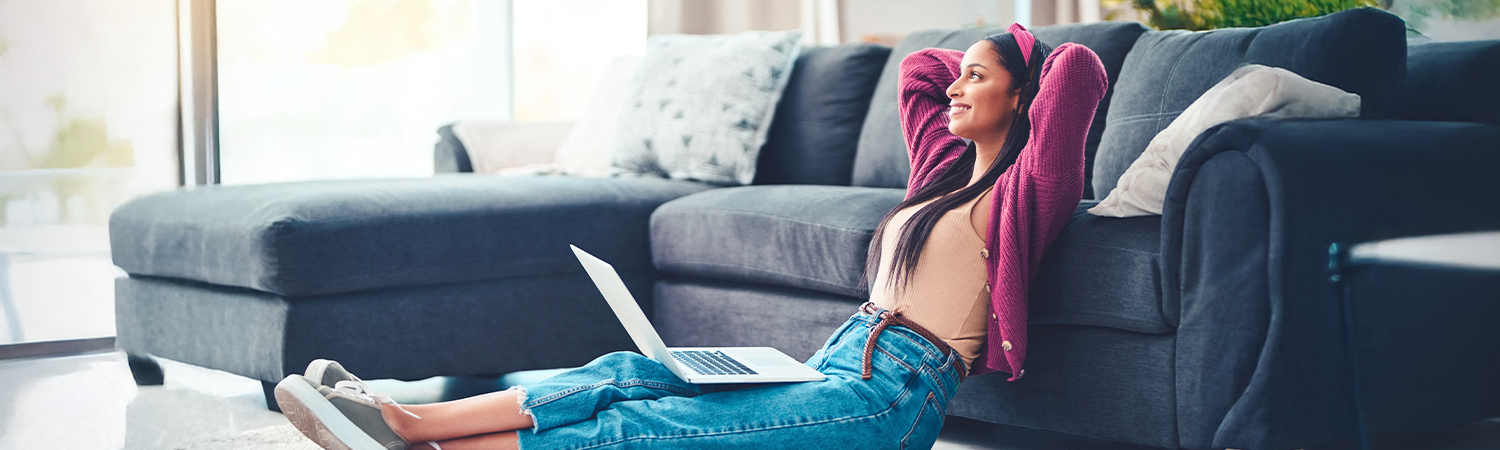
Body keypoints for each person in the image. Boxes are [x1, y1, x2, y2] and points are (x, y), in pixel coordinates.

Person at [272, 23, 1108, 450]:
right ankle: (412, 421)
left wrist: (1027, 60)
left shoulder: (1026, 190)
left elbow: (1081, 75)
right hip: (833, 360)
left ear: (1023, 97)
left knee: (652, 429)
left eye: (980, 75)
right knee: (630, 372)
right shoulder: (939, 174)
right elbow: (918, 72)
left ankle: (409, 441)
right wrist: (981, 62)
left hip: (889, 398)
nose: (954, 83)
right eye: (962, 73)